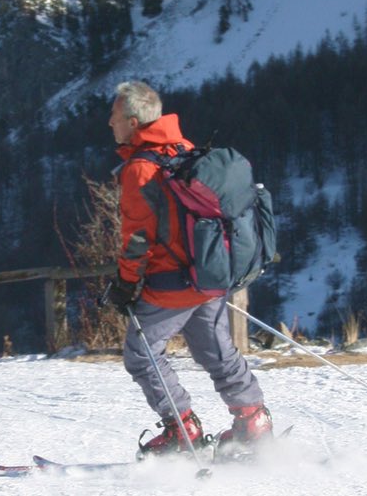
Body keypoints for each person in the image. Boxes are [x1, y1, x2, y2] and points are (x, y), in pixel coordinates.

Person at [106, 80, 272, 457]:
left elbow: (137, 238)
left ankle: (182, 430)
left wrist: (126, 284)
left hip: (172, 283)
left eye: (114, 117)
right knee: (213, 347)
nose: (109, 124)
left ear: (133, 122)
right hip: (209, 274)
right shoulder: (184, 150)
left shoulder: (140, 170)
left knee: (141, 351)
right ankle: (253, 419)